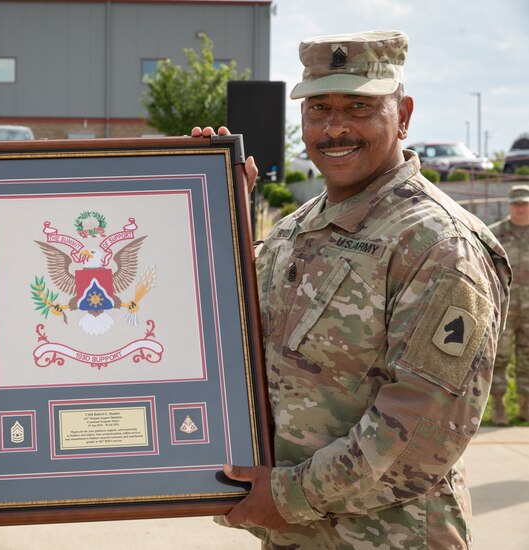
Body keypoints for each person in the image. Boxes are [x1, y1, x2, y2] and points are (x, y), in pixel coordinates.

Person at [211, 30, 511, 549]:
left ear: (404, 114)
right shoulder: (294, 229)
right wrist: (213, 206)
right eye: (319, 108)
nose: (335, 128)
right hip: (296, 534)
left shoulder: (437, 244)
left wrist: (286, 496)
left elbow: (422, 428)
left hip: (395, 537)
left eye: (359, 107)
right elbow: (228, 338)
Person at [488, 184, 529, 424]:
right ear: (509, 204)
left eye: (525, 203)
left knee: (527, 358)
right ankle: (498, 408)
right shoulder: (495, 235)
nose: (521, 208)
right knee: (499, 358)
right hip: (504, 308)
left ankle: (525, 407)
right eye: (517, 203)